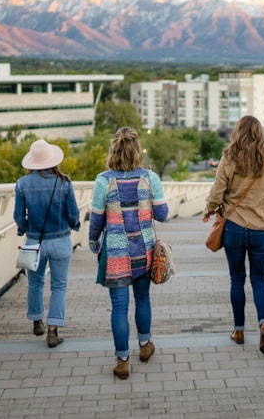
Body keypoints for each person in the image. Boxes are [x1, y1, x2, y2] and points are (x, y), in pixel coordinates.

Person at [88, 127, 169, 379]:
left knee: (119, 308)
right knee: (143, 299)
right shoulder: (149, 178)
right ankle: (145, 347)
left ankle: (122, 360)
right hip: (143, 252)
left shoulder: (103, 180)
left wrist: (94, 244)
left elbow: (96, 221)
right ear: (137, 151)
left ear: (114, 150)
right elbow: (163, 215)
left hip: (115, 253)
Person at [203, 115, 264, 354]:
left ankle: (239, 331)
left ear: (237, 133)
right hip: (262, 230)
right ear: (261, 134)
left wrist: (209, 210)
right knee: (259, 279)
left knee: (237, 279)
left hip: (234, 228)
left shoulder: (229, 160)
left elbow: (216, 192)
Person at [14, 139, 81, 348]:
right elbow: (73, 213)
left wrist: (24, 229)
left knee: (35, 283)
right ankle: (53, 330)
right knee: (59, 286)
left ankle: (37, 321)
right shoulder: (64, 182)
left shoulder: (22, 184)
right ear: (52, 160)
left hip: (35, 241)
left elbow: (18, 216)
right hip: (60, 241)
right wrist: (76, 225)